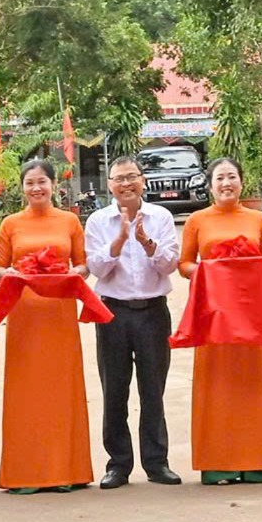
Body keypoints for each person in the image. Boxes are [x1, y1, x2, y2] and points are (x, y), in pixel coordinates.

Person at [0, 159, 93, 493]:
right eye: (30, 183)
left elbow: (82, 266)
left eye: (42, 182)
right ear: (22, 188)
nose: (36, 188)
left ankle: (66, 470)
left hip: (59, 315)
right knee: (26, 393)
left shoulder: (69, 221)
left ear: (54, 186)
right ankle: (25, 473)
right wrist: (16, 275)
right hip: (24, 316)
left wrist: (64, 275)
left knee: (61, 390)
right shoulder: (10, 224)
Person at [181, 157, 262, 484]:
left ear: (241, 182)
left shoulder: (258, 220)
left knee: (254, 384)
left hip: (252, 314)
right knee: (218, 385)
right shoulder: (197, 220)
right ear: (210, 185)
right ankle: (218, 463)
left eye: (232, 177)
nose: (226, 184)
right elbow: (184, 264)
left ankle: (258, 461)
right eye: (220, 178)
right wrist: (208, 273)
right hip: (215, 314)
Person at [85, 154, 182, 488]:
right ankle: (118, 464)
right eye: (118, 179)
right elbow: (95, 268)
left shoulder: (161, 216)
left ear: (143, 180)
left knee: (153, 389)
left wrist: (145, 241)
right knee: (114, 390)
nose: (125, 184)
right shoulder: (98, 220)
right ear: (110, 185)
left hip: (154, 311)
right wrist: (120, 241)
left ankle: (157, 463)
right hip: (112, 312)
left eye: (131, 177)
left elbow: (170, 265)